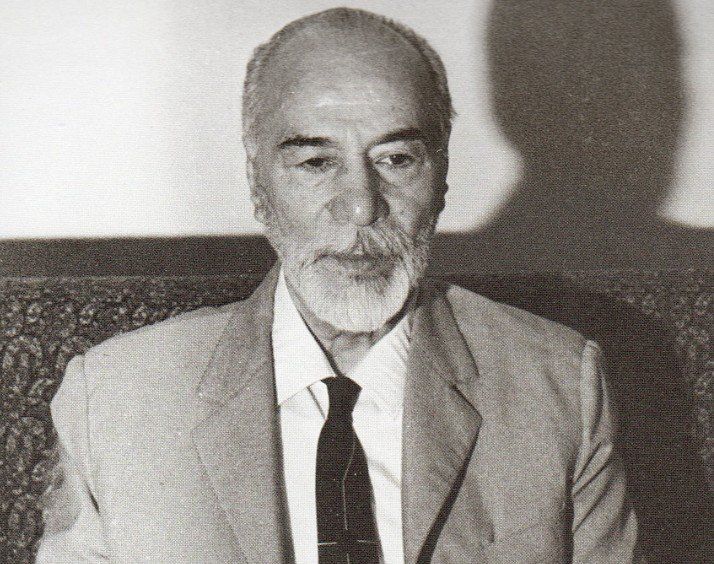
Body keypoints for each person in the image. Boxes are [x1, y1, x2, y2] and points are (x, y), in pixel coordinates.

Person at [37, 7, 641, 563]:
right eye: (315, 163)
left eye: (396, 159)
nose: (360, 207)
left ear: (441, 177)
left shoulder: (556, 386)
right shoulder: (118, 402)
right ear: (257, 183)